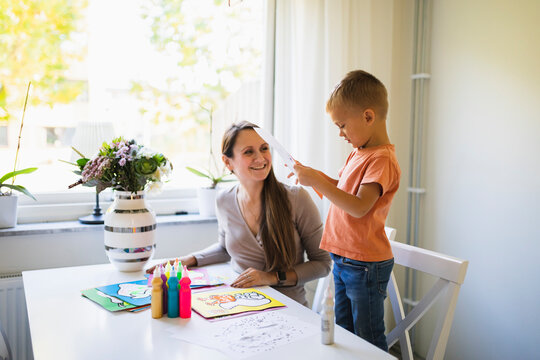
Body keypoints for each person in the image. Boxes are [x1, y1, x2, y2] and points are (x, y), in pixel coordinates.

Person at [148, 121, 331, 306]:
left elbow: (323, 264)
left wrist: (271, 277)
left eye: (264, 148)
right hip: (240, 303)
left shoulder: (296, 198)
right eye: (248, 152)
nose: (260, 158)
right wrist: (188, 260)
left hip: (289, 308)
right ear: (228, 162)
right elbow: (225, 249)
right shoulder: (224, 200)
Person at [293, 70, 401, 351]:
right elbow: (344, 190)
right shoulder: (359, 152)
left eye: (342, 125)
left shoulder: (382, 160)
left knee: (367, 339)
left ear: (368, 116)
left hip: (364, 264)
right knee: (344, 332)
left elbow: (358, 207)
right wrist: (317, 176)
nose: (340, 134)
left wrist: (317, 181)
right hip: (344, 258)